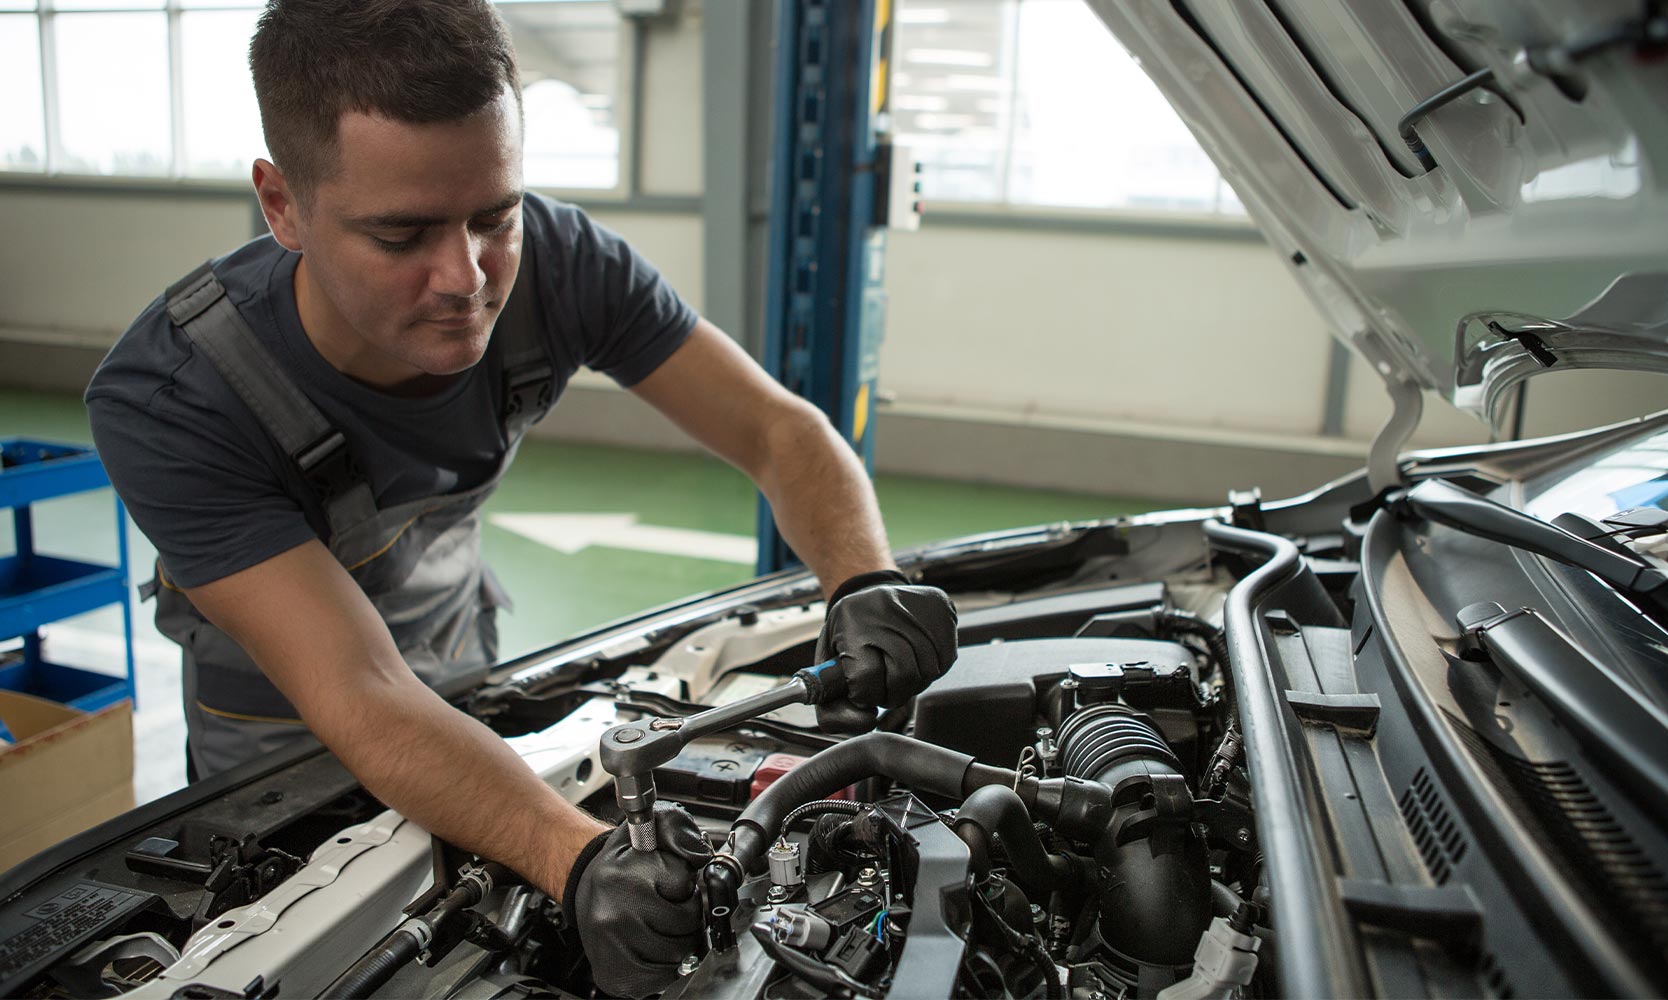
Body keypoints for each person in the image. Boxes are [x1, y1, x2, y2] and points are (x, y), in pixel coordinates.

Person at [83, 0, 957, 995]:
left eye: (494, 213)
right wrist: (580, 859)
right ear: (281, 204)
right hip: (280, 755)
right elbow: (362, 695)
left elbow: (777, 429)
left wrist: (863, 576)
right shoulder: (176, 395)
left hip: (462, 675)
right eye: (402, 233)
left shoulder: (561, 264)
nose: (468, 276)